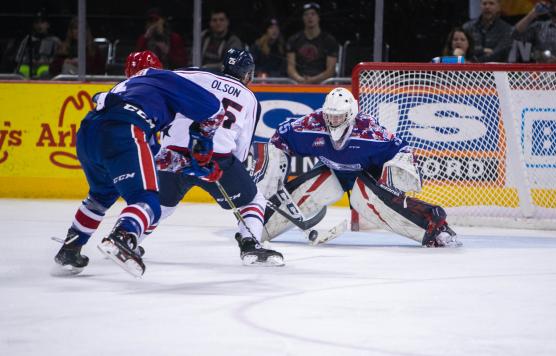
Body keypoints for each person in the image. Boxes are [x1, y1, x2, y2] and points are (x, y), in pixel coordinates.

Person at [52, 50, 224, 278]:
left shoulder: (124, 90)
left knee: (101, 194)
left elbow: (152, 157)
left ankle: (70, 249)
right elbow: (214, 109)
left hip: (88, 133)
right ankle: (123, 236)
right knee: (148, 201)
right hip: (125, 129)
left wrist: (189, 165)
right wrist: (202, 147)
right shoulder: (160, 78)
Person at [254, 87, 462, 248]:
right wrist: (273, 173)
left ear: (351, 114)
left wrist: (395, 178)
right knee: (310, 191)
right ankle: (255, 227)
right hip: (331, 173)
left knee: (370, 203)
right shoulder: (312, 123)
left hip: (365, 176)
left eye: (339, 116)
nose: (333, 121)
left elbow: (402, 150)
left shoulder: (368, 131)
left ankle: (435, 229)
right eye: (330, 116)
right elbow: (278, 139)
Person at [138, 48, 284, 266]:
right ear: (247, 74)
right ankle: (250, 245)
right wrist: (237, 172)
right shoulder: (250, 99)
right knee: (252, 200)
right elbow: (241, 150)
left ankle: (127, 237)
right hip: (214, 160)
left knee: (161, 204)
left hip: (172, 155)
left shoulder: (195, 74)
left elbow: (158, 77)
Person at [286, 2, 338, 84]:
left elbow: (330, 70)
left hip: (323, 84)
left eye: (313, 14)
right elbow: (290, 67)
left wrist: (313, 80)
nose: (309, 17)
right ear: (303, 18)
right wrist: (300, 80)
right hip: (299, 83)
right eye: (306, 14)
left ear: (318, 17)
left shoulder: (329, 40)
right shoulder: (293, 40)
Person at [14, 11, 61, 79]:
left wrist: (45, 61)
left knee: (45, 72)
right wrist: (29, 61)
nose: (39, 25)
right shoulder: (27, 39)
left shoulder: (55, 40)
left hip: (45, 67)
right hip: (28, 66)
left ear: (48, 25)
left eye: (42, 22)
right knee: (20, 71)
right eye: (37, 23)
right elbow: (18, 58)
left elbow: (57, 59)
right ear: (33, 25)